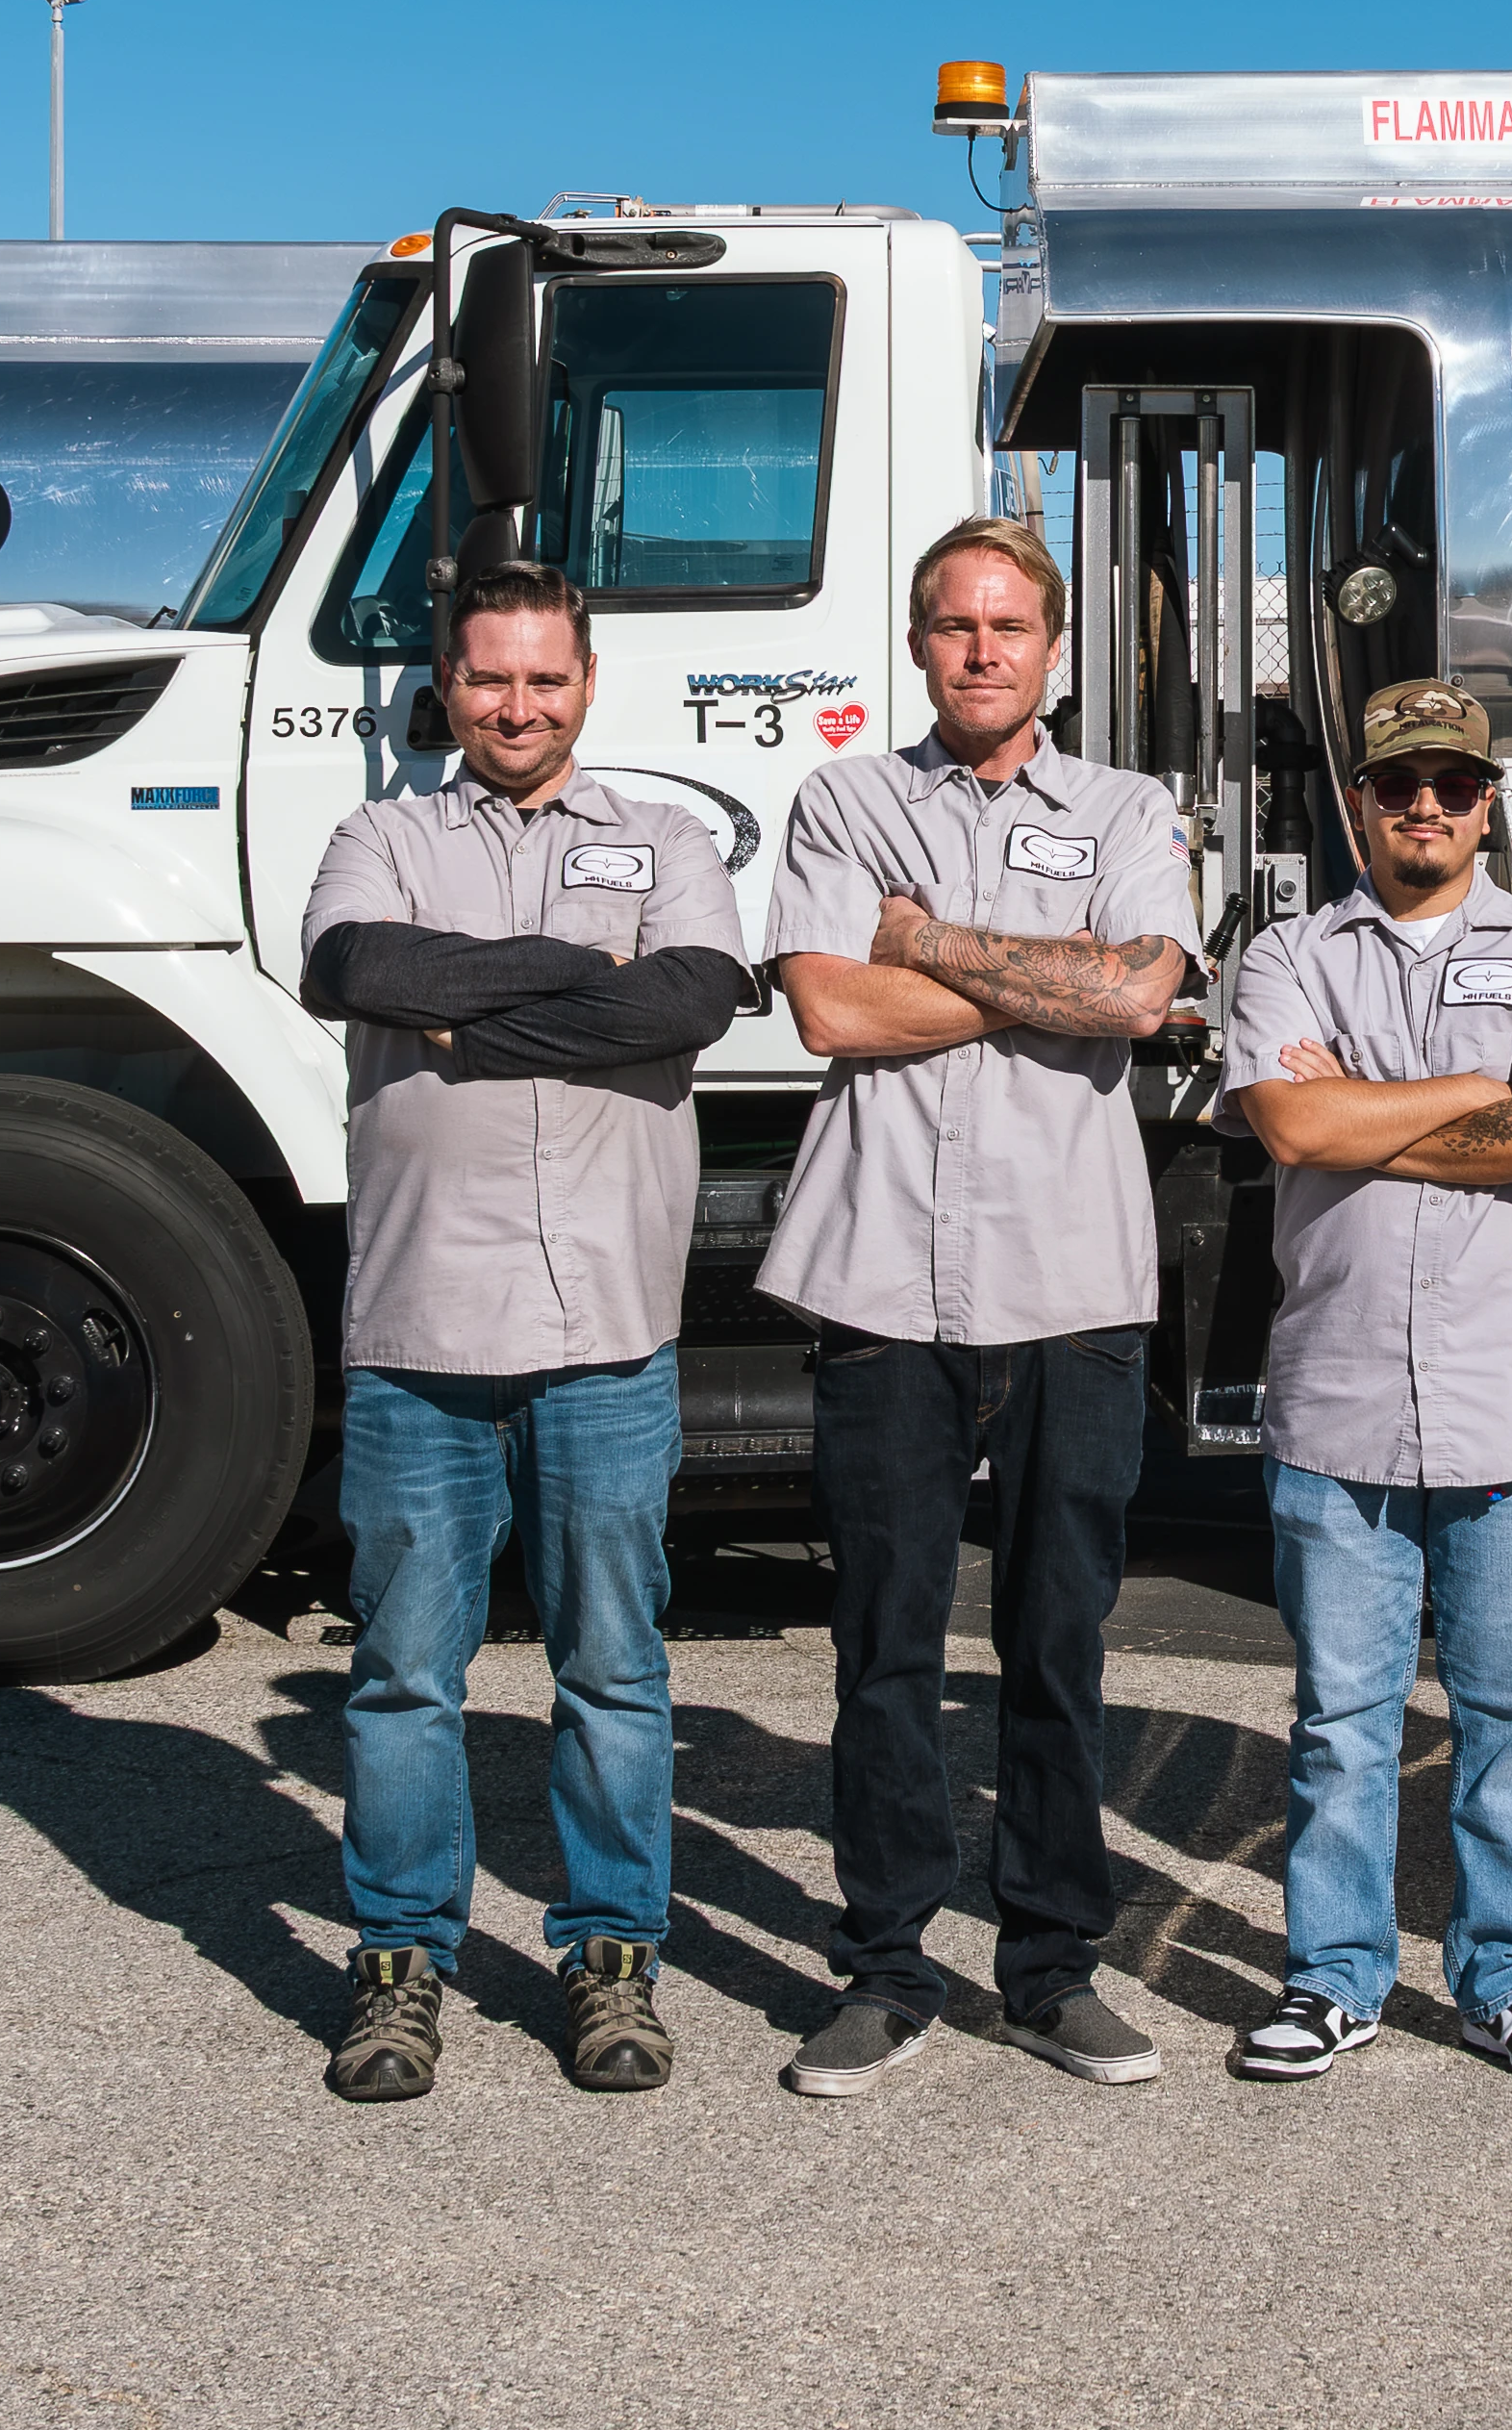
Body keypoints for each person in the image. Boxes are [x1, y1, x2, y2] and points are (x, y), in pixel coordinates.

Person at [284, 561, 754, 2103]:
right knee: (407, 1673)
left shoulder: (666, 838)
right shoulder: (383, 834)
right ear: (449, 680)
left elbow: (689, 999)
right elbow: (358, 966)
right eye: (491, 677)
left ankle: (612, 1956)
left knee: (614, 1667)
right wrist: (572, 975)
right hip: (422, 1322)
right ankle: (400, 1964)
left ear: (587, 681)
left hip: (609, 1323)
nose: (518, 705)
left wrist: (468, 1009)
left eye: (545, 677)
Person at [759, 511, 1198, 2093]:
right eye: (955, 624)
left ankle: (1050, 1964)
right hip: (881, 1276)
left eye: (1010, 625)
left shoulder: (1129, 805)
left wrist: (929, 943)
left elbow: (1139, 994)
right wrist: (1044, 974)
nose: (983, 648)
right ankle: (882, 1965)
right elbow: (829, 1005)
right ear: (919, 644)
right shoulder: (842, 797)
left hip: (1073, 1287)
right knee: (881, 1641)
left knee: (1054, 1643)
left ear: (1055, 649)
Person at [1210, 680, 1512, 2087]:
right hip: (1336, 1399)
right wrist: (1470, 1090)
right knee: (1341, 1719)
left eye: (1453, 782)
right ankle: (1334, 1974)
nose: (1427, 806)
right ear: (1358, 804)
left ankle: (1509, 1976)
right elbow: (1286, 1115)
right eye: (1399, 785)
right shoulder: (1288, 952)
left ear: (1488, 799)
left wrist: (1368, 1113)